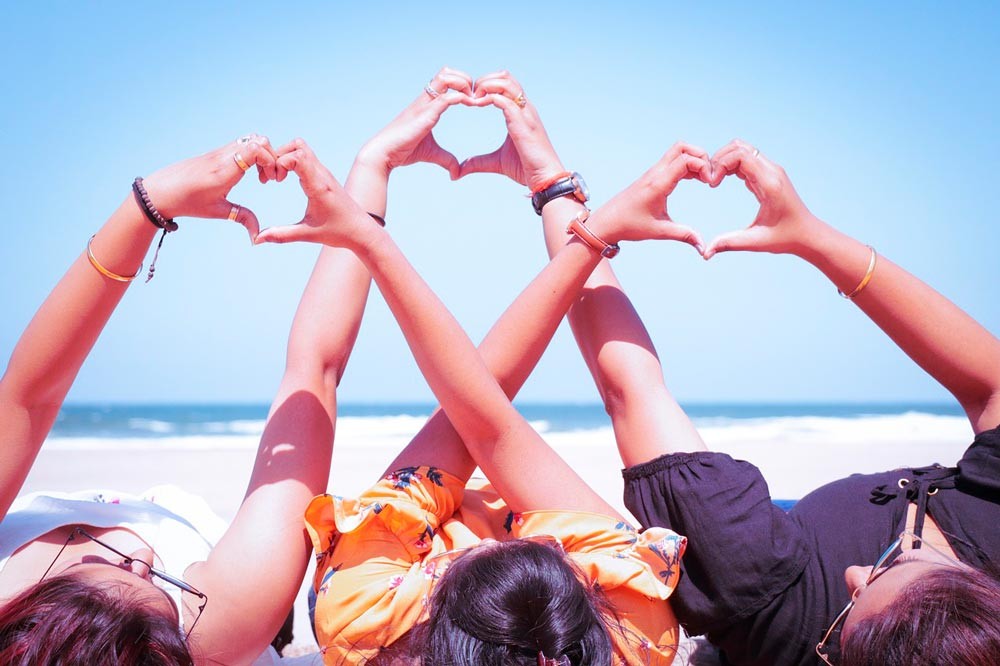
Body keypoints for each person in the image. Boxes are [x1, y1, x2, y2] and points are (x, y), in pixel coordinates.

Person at [254, 69, 703, 665]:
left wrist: (371, 185)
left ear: (432, 601)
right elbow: (489, 418)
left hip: (416, 544)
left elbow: (476, 416)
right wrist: (560, 198)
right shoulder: (632, 624)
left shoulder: (368, 616)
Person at [524, 136, 1000, 665]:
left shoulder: (769, 599)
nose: (854, 574)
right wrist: (811, 236)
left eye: (841, 628)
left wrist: (561, 197)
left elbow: (632, 392)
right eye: (890, 568)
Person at [0, 135, 376, 665]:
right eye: (162, 604)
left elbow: (29, 395)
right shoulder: (220, 625)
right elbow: (315, 369)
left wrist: (149, 204)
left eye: (121, 571)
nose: (145, 559)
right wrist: (369, 179)